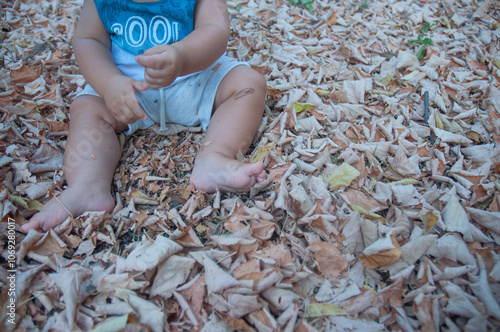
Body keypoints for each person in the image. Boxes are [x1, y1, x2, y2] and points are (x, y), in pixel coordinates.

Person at [22, 0, 267, 232]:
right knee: (87, 108)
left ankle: (216, 157)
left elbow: (215, 29)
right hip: (124, 90)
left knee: (248, 84)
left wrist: (181, 57)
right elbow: (88, 40)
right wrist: (108, 85)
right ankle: (87, 185)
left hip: (194, 78)